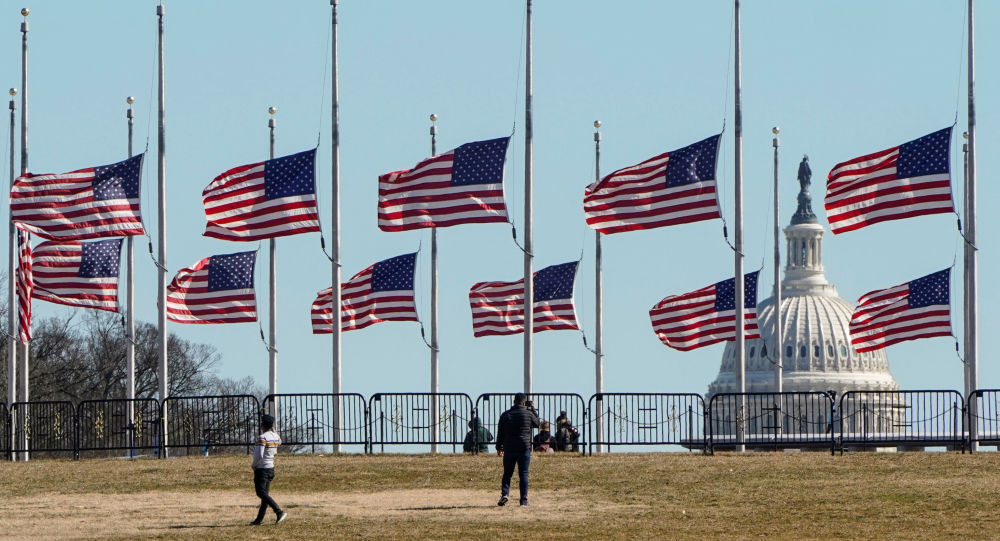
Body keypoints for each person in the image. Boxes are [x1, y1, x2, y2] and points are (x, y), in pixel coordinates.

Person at [495, 393, 539, 506]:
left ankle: (505, 494)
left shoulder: (505, 415)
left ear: (514, 402)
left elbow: (500, 433)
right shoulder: (528, 414)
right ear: (524, 402)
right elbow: (537, 423)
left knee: (507, 473)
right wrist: (533, 409)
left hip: (509, 447)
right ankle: (523, 500)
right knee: (523, 474)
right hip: (524, 447)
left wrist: (499, 447)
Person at [250, 414, 288, 526]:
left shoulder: (263, 437)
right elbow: (280, 441)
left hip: (262, 468)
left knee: (261, 493)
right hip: (271, 468)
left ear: (262, 425)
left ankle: (279, 511)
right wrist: (274, 429)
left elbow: (259, 454)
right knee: (265, 495)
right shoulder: (275, 436)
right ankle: (259, 519)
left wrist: (253, 465)